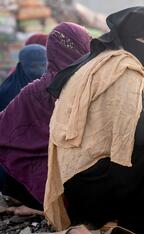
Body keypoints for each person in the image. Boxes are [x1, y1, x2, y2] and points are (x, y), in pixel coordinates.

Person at [44, 7, 144, 234]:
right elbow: (142, 132)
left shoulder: (101, 62)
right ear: (128, 37)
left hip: (76, 184)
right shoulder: (126, 69)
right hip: (93, 188)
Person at [0, 22, 91, 214]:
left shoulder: (34, 89)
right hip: (87, 187)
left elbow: (4, 127)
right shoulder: (92, 87)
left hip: (32, 184)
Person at [0, 44, 47, 111]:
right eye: (33, 66)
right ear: (21, 66)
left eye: (43, 65)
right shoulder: (7, 93)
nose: (39, 71)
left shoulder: (52, 87)